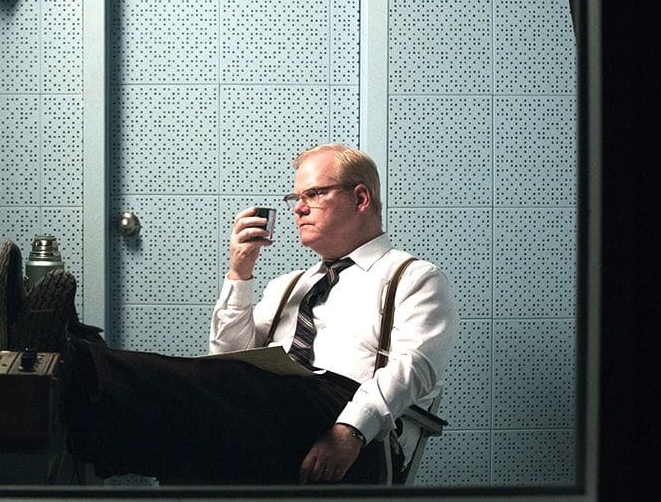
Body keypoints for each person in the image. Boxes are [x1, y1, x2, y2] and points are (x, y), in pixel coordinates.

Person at [61, 143, 457, 485]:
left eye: (314, 193)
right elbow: (226, 361)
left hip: (353, 432)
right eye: (295, 197)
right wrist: (240, 272)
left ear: (361, 198)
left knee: (207, 403)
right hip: (265, 420)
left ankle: (74, 358)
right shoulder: (288, 284)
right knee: (182, 433)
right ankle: (70, 381)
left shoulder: (413, 277)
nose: (298, 208)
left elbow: (415, 367)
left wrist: (351, 428)